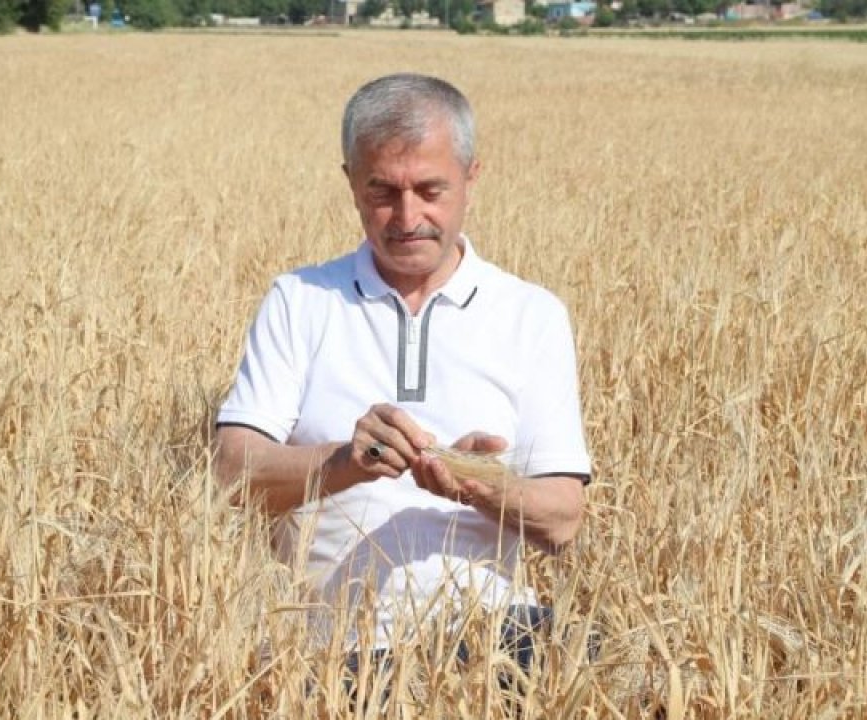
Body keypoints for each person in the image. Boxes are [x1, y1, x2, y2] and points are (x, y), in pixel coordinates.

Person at [214, 73, 594, 688]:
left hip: (494, 635)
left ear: (472, 176)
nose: (407, 216)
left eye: (430, 190)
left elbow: (563, 519)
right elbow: (231, 476)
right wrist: (347, 462)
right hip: (332, 649)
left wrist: (476, 484)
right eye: (383, 191)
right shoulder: (300, 301)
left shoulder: (532, 314)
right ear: (350, 183)